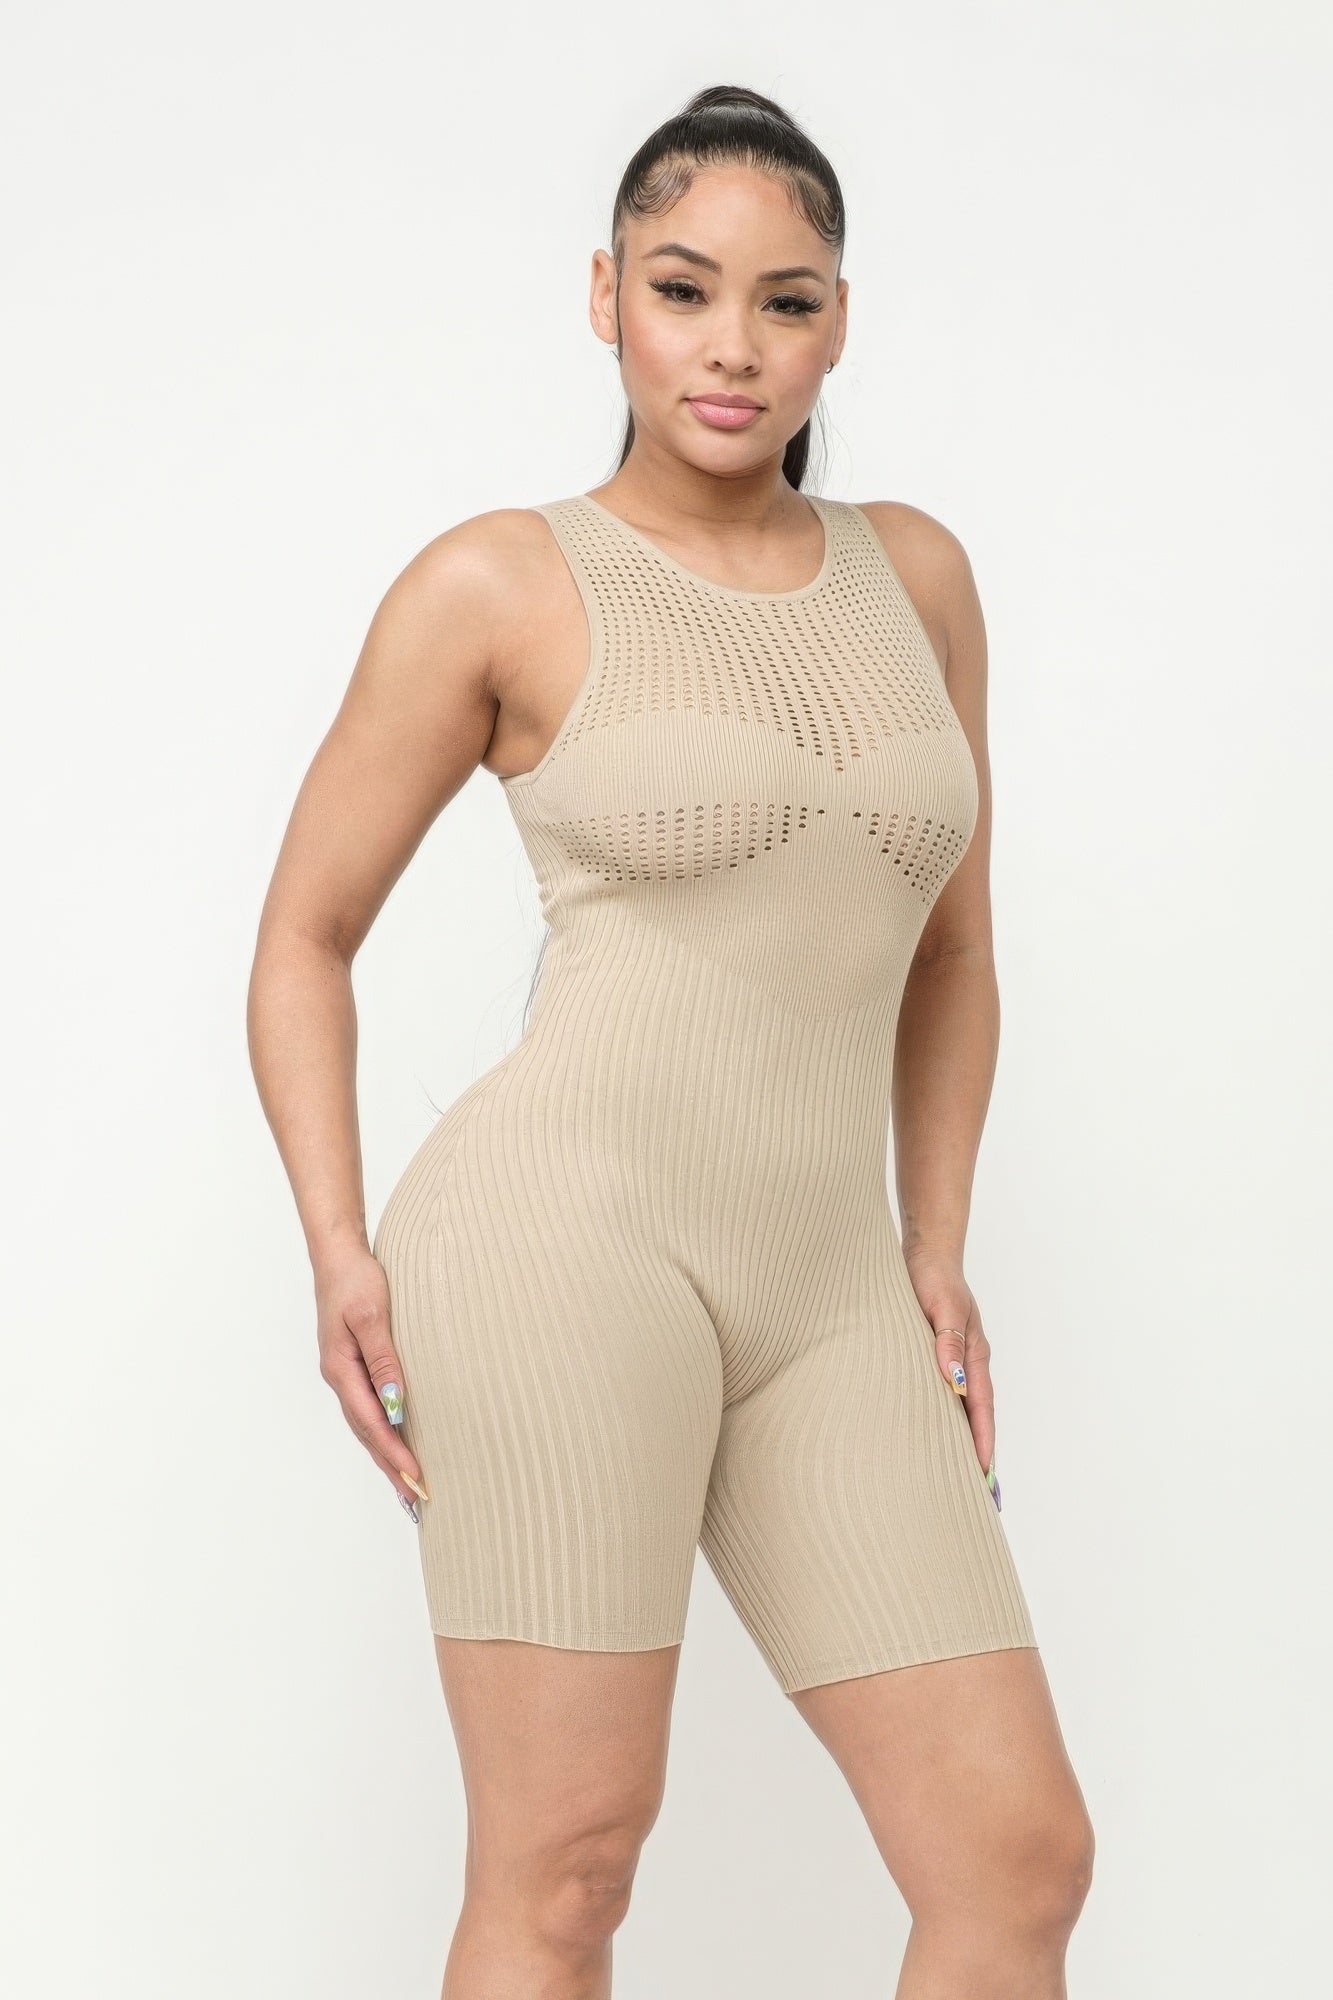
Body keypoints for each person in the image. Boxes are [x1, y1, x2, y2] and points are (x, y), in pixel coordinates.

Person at [248, 82, 1094, 2000]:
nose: (731, 348)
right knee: (565, 1867)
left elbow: (954, 950)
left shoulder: (917, 577)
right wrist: (338, 1250)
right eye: (683, 289)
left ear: (837, 325)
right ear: (605, 297)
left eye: (783, 303)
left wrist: (934, 1246)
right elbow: (302, 939)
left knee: (1014, 1859)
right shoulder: (499, 580)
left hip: (827, 1284)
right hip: (558, 1251)